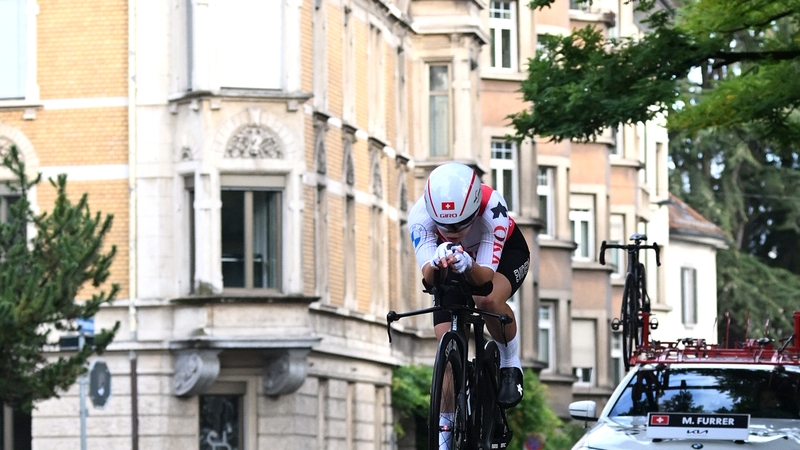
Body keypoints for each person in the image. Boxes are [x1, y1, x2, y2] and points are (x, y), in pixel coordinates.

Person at [408, 161, 531, 409]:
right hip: (451, 262)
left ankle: (509, 363)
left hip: (506, 254)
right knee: (446, 343)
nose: (452, 232)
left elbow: (484, 280)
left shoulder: (492, 210)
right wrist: (436, 263)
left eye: (461, 224)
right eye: (444, 226)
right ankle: (446, 428)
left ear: (474, 211)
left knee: (487, 300)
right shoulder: (419, 216)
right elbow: (430, 280)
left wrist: (468, 264)